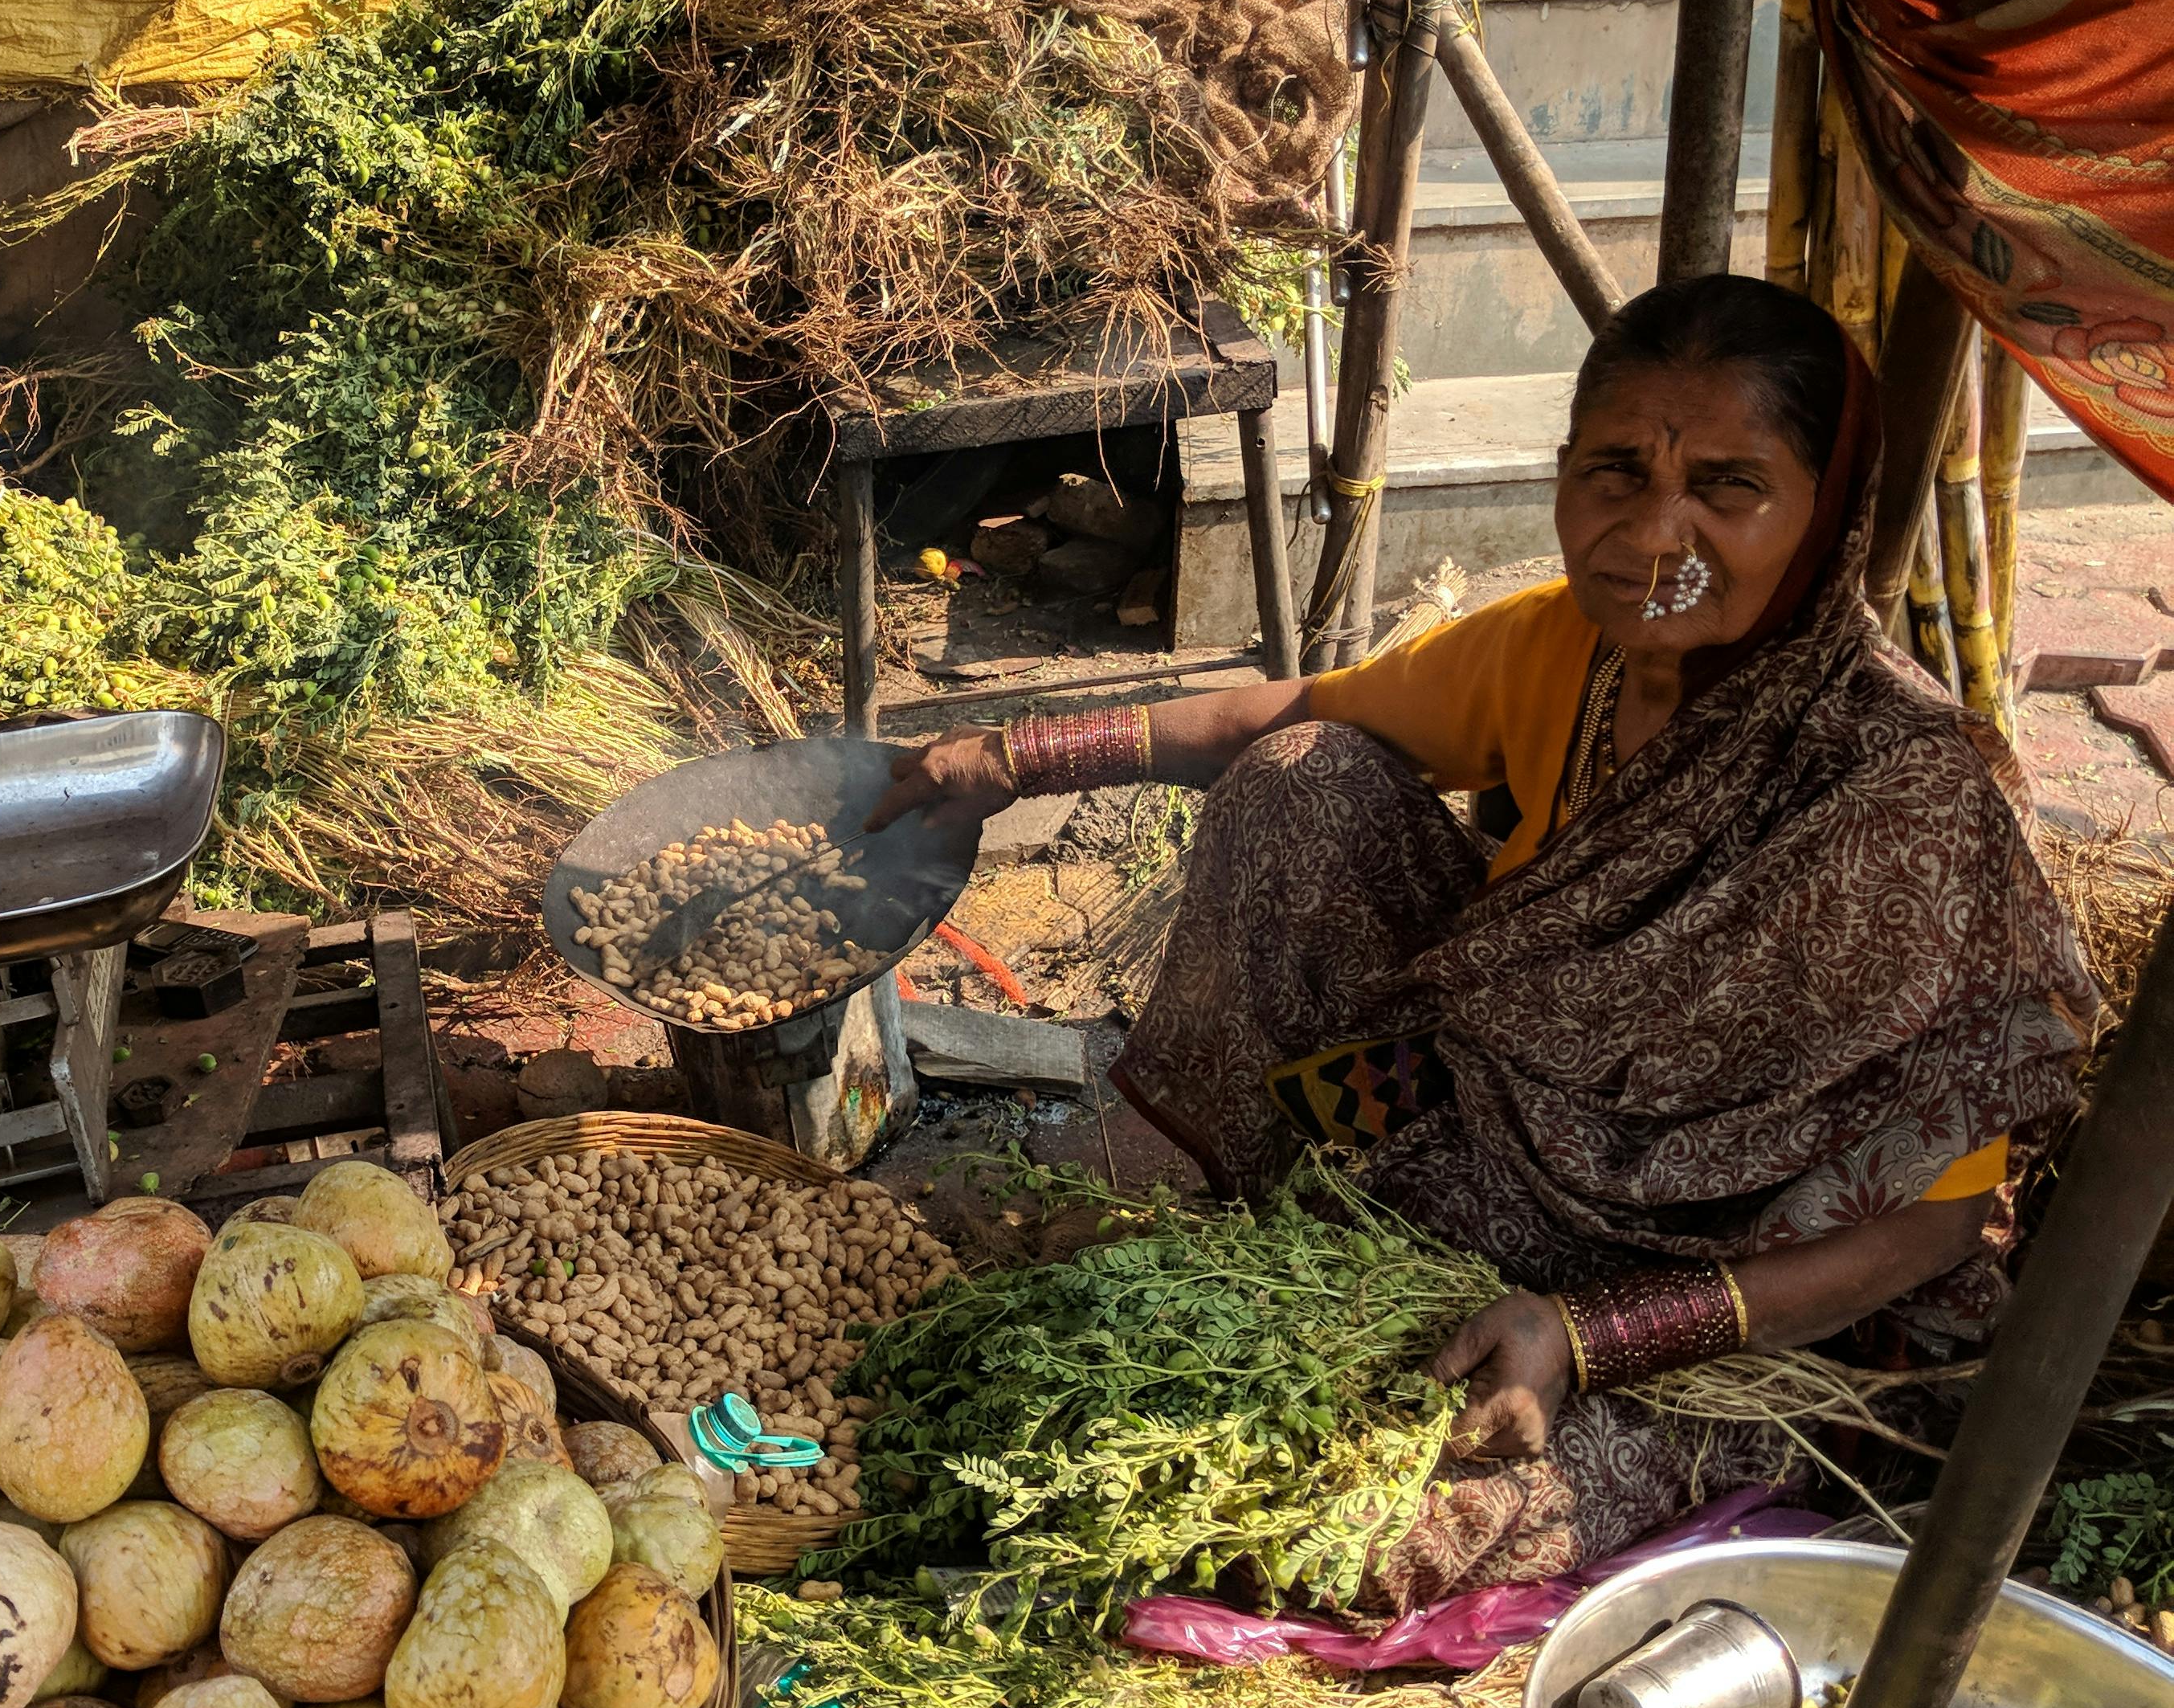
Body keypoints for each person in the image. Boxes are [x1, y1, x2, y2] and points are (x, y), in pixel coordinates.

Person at [872, 273, 2094, 1608]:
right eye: (1614, 474)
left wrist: (1589, 1336)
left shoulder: (1897, 797)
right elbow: (1292, 712)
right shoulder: (1571, 648)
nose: (1654, 536)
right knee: (1305, 777)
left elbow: (1932, 1228)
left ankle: (1417, 1295)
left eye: (1729, 488)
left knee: (1359, 1531)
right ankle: (1230, 1173)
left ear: (1825, 514)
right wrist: (1008, 753)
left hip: (1721, 1287)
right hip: (1482, 1137)